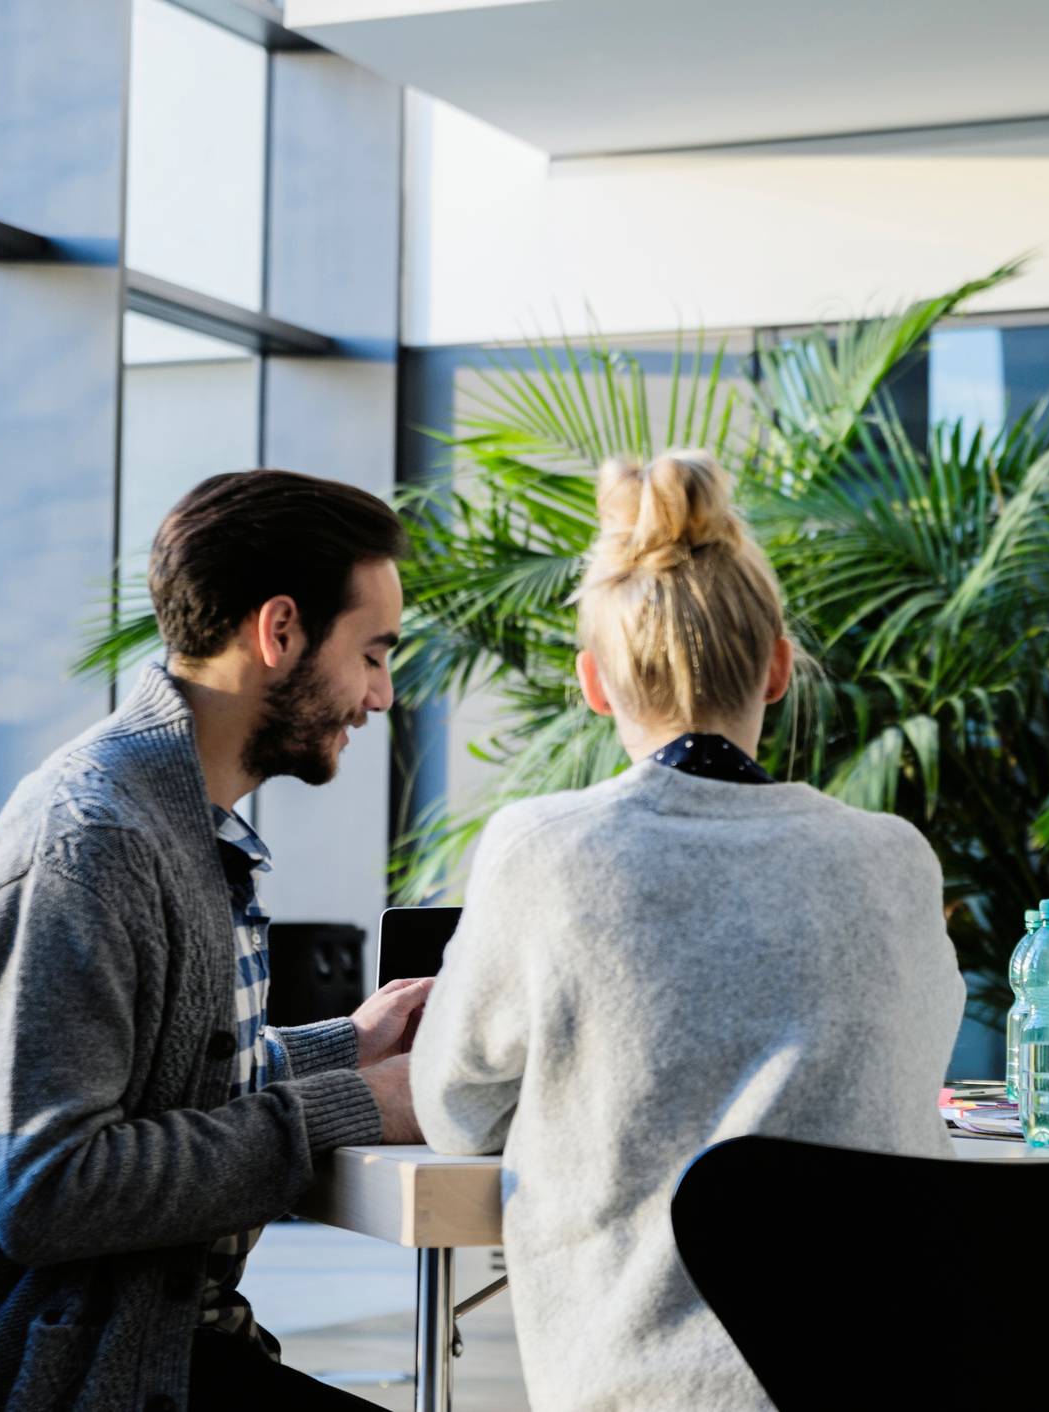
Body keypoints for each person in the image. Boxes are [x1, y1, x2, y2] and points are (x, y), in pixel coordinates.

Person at [0, 469, 432, 1412]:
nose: (380, 696)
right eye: (372, 654)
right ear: (279, 630)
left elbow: (164, 1084)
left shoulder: (180, 826)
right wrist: (356, 1106)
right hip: (47, 1383)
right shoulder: (92, 847)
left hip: (150, 1352)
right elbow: (50, 1187)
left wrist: (353, 1043)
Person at [411, 450, 964, 1412]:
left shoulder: (541, 852)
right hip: (882, 1378)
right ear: (780, 666)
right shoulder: (896, 861)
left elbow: (455, 1108)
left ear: (592, 682)